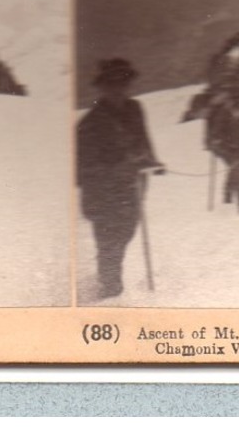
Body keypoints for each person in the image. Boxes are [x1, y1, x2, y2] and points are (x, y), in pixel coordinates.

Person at [76, 58, 163, 299]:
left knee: (124, 235)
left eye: (123, 84)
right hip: (103, 196)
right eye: (112, 85)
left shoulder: (135, 109)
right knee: (109, 243)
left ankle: (109, 275)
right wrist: (119, 170)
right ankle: (111, 291)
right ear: (102, 88)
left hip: (131, 191)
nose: (118, 90)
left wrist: (151, 161)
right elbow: (83, 171)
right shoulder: (89, 125)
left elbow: (142, 143)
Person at [203, 88, 239, 214]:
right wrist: (220, 145)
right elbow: (216, 132)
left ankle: (227, 199)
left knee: (235, 172)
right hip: (226, 149)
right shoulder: (224, 112)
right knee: (237, 173)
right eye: (236, 99)